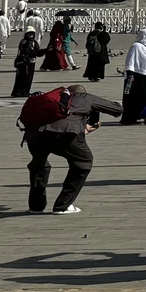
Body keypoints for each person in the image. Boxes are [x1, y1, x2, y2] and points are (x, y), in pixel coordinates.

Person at [23, 84, 124, 215]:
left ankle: (36, 207)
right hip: (65, 134)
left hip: (35, 135)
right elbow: (117, 109)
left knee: (39, 165)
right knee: (83, 162)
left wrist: (83, 126)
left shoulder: (52, 98)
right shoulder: (85, 97)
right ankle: (63, 205)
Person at [120, 29, 146, 122]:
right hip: (138, 76)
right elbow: (130, 60)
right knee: (138, 98)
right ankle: (133, 116)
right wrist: (130, 73)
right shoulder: (136, 46)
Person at [10, 29, 41, 99]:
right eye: (29, 34)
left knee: (29, 78)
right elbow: (20, 52)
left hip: (31, 63)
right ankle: (18, 92)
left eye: (32, 34)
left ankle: (25, 91)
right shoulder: (23, 42)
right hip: (23, 63)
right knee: (21, 77)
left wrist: (46, 50)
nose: (30, 36)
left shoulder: (34, 42)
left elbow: (37, 52)